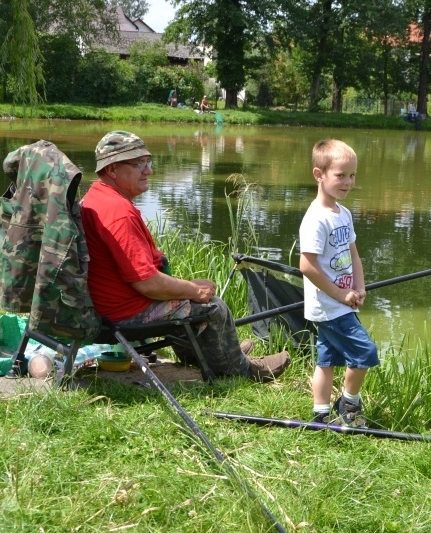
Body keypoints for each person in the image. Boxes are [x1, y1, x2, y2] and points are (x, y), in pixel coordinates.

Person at [81, 131, 290, 382]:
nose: (149, 171)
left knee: (188, 295)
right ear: (112, 169)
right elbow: (148, 284)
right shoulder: (118, 212)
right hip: (125, 312)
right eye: (139, 164)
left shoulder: (97, 196)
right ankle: (242, 369)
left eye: (148, 162)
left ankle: (216, 354)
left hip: (109, 305)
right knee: (213, 307)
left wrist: (184, 287)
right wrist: (192, 290)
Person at [299, 139, 379, 427]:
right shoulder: (316, 219)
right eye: (341, 175)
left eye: (352, 175)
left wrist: (360, 287)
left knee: (327, 358)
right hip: (329, 305)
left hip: (343, 300)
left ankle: (320, 413)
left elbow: (353, 255)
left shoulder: (343, 214)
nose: (348, 182)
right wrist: (339, 294)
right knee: (365, 352)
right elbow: (306, 266)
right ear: (319, 175)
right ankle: (348, 403)